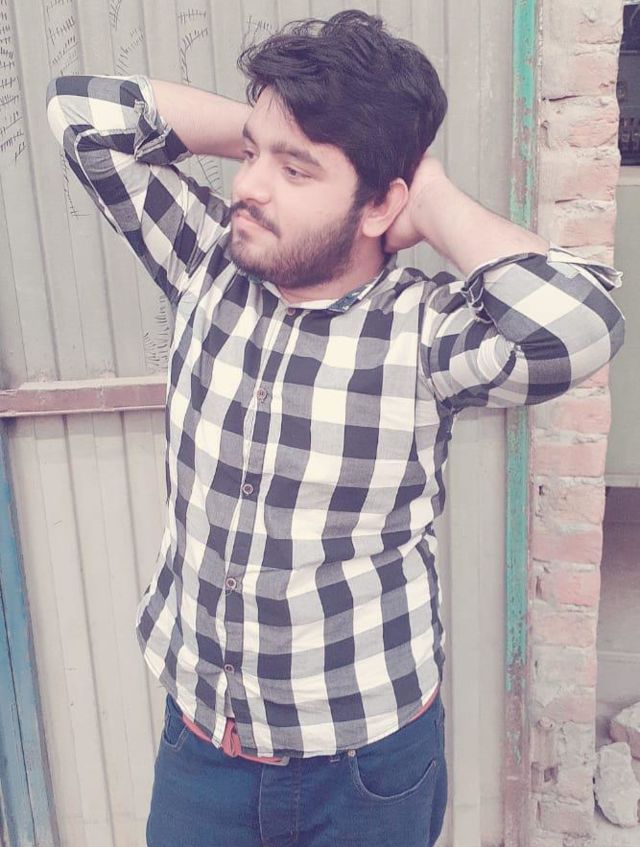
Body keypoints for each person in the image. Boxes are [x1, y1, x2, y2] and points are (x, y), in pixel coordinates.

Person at [45, 9, 624, 847]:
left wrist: (431, 194)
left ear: (381, 202)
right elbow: (79, 112)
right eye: (253, 156)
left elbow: (581, 324)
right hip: (203, 752)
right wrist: (266, 130)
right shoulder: (207, 261)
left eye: (295, 170)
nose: (249, 186)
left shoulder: (425, 332)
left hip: (365, 771)